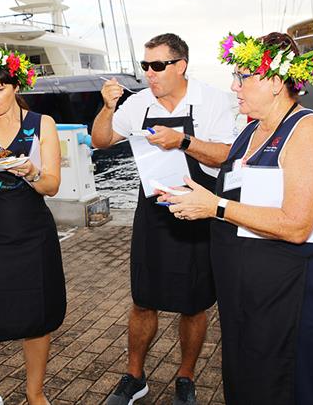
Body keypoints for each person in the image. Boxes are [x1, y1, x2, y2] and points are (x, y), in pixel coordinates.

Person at [161, 32, 313, 404]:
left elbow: (297, 225)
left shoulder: (309, 131)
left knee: (286, 389)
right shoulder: (250, 130)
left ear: (277, 82)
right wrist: (194, 197)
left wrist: (215, 207)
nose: (234, 86)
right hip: (247, 295)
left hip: (291, 294)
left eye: (243, 76)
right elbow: (232, 185)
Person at [91, 33, 235, 405]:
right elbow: (101, 141)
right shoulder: (138, 103)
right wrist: (107, 107)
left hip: (198, 211)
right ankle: (134, 376)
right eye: (145, 66)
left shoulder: (212, 100)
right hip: (152, 213)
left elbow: (224, 155)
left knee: (194, 303)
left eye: (158, 66)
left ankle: (185, 376)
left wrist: (183, 141)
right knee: (143, 299)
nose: (150, 74)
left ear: (181, 65)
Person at [0, 45, 65, 405]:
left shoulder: (42, 124)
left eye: (0, 88)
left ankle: (35, 393)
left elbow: (52, 186)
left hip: (34, 235)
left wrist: (32, 172)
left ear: (16, 86)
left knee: (37, 320)